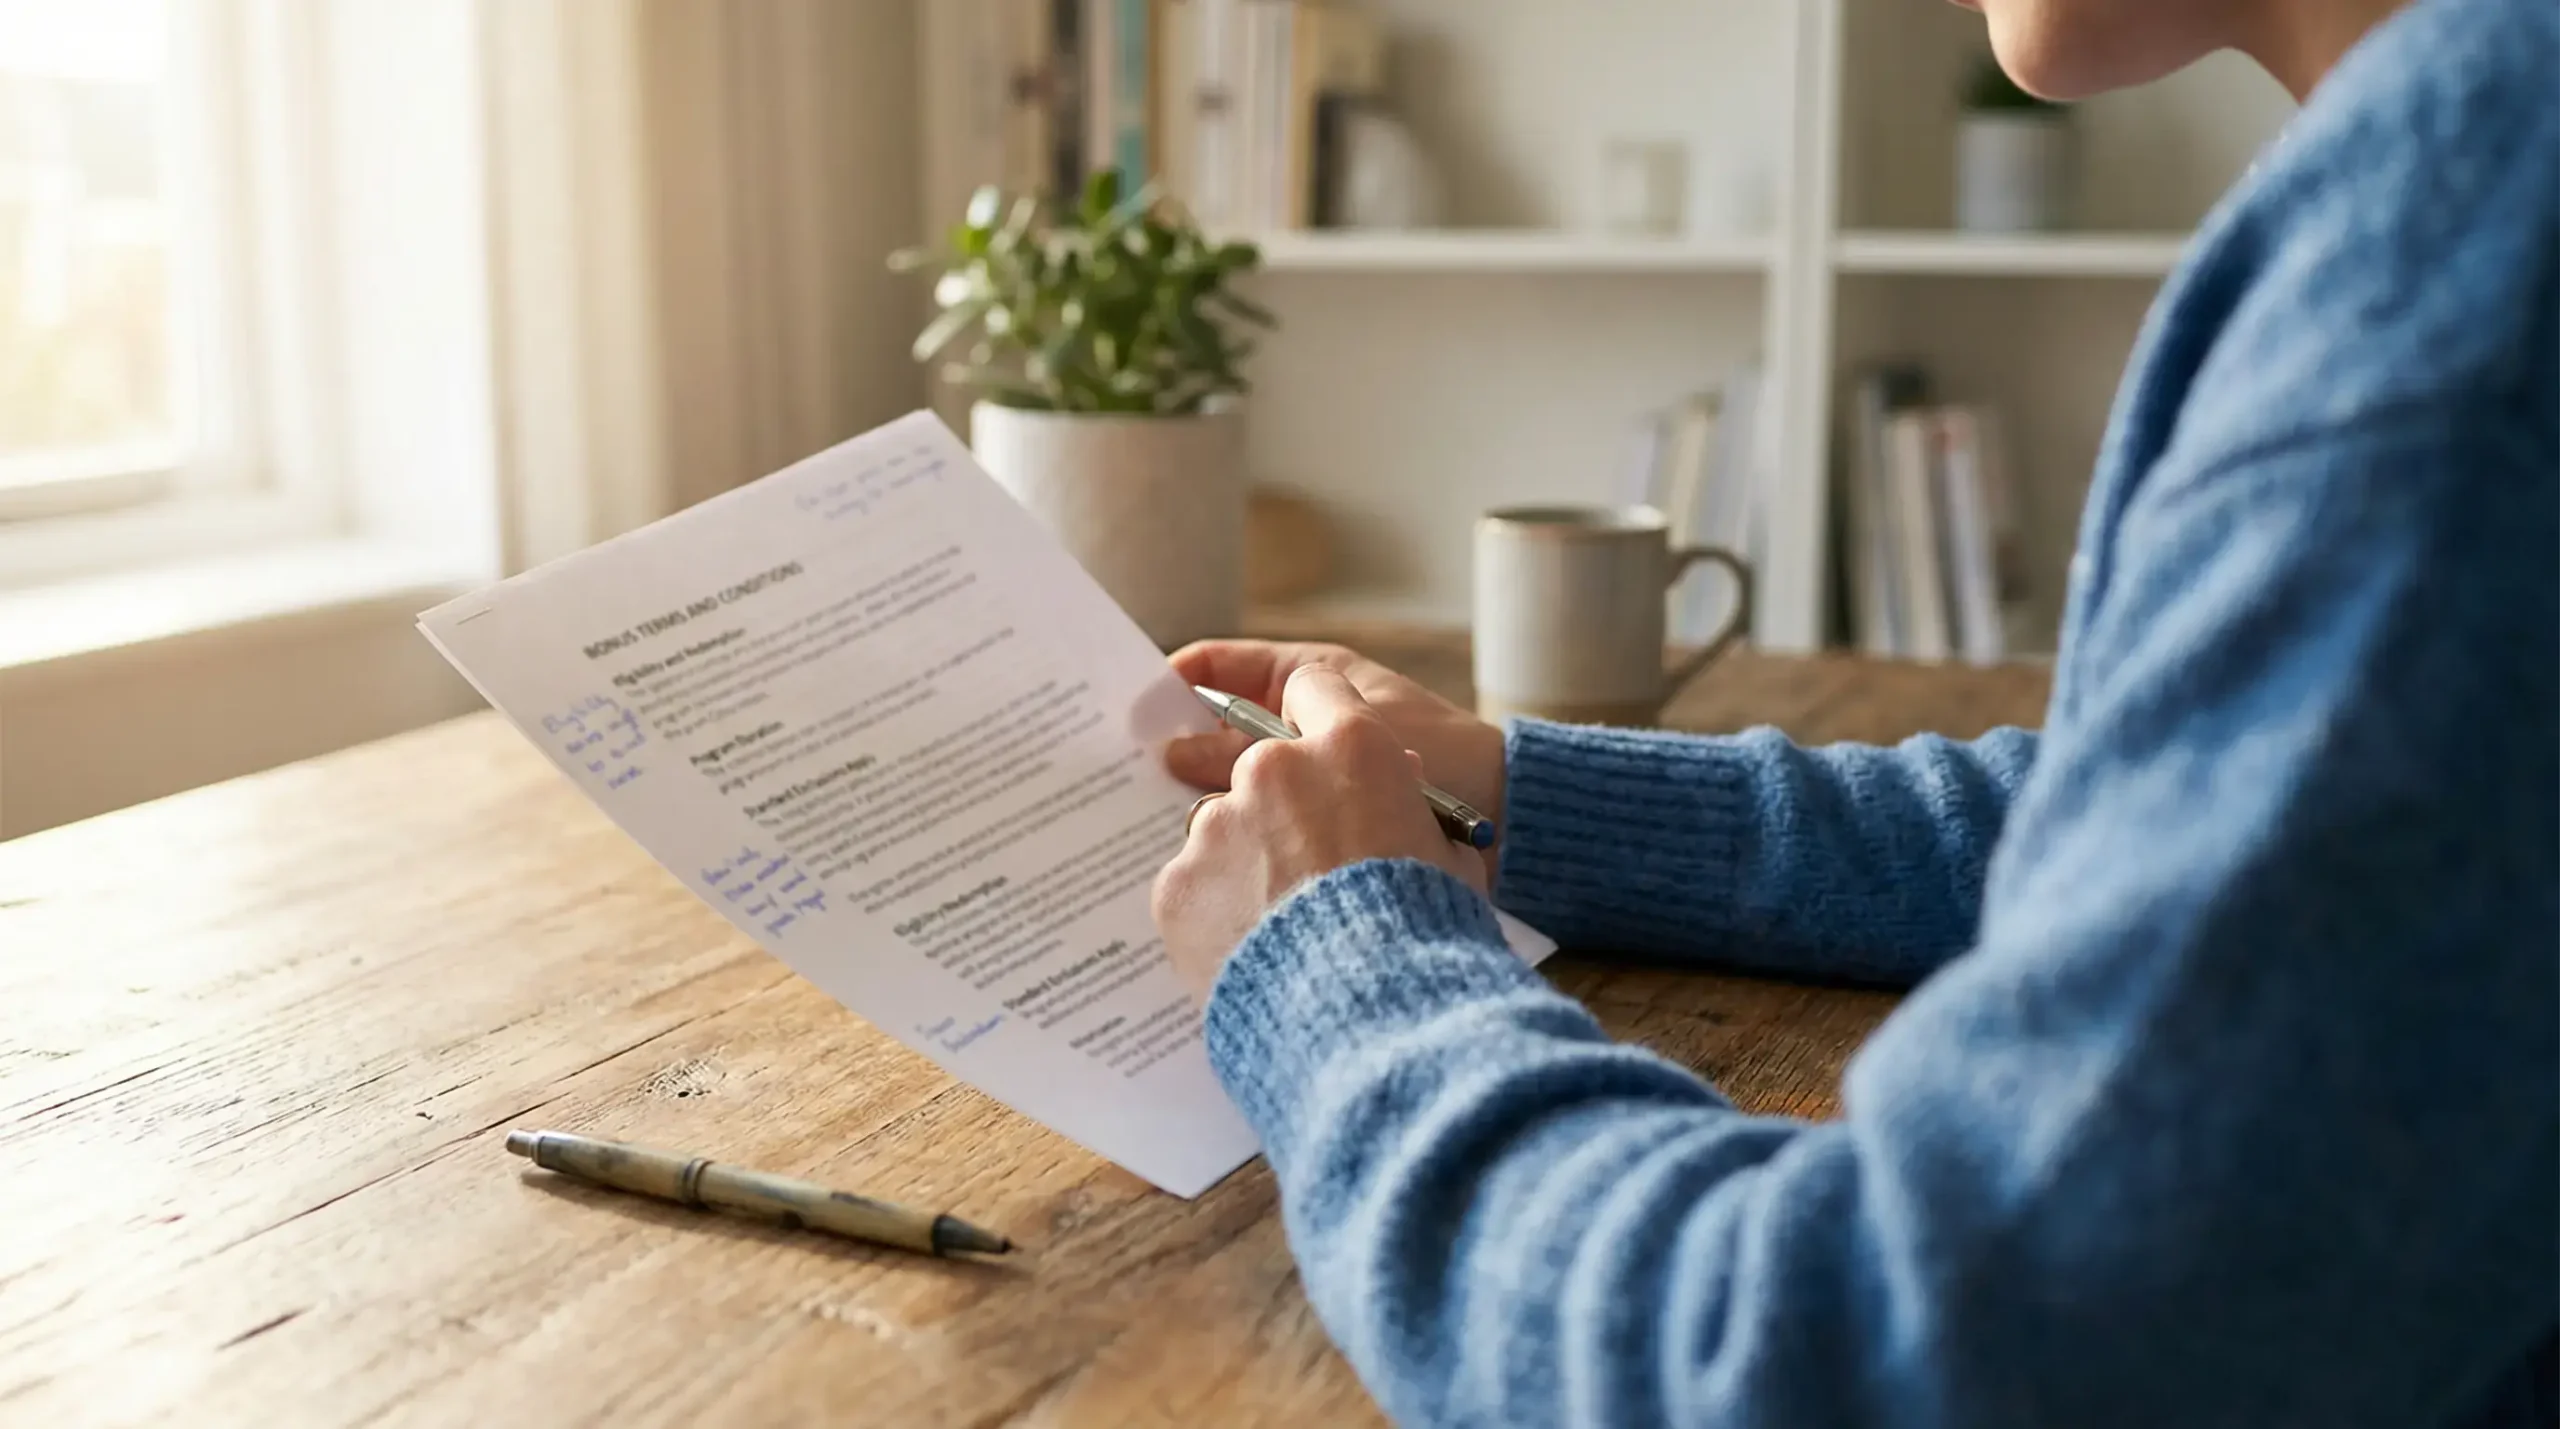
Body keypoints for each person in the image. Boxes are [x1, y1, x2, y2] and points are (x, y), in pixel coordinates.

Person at [1147, 0, 2558, 1423]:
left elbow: (1866, 1364)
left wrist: (1339, 959)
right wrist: (1527, 795)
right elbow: (2153, 814)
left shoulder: (2480, 235)